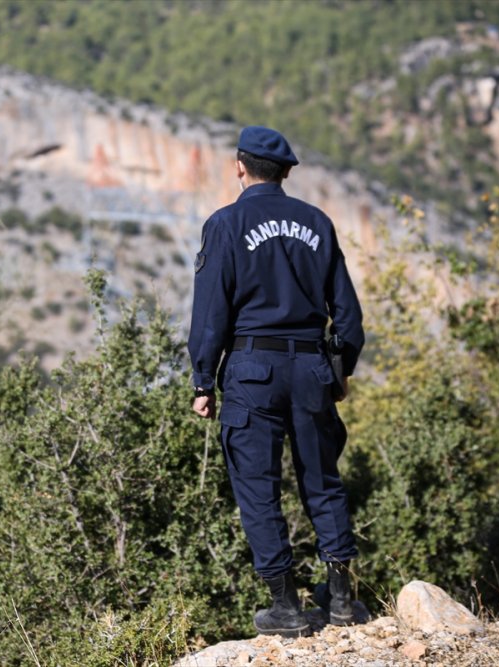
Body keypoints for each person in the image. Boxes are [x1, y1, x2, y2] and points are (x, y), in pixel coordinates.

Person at [188, 125, 365, 638]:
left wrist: (203, 379)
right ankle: (341, 599)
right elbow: (348, 318)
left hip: (251, 370)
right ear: (286, 172)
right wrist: (340, 368)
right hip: (311, 367)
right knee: (322, 478)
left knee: (258, 489)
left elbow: (210, 313)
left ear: (239, 166)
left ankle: (285, 606)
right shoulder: (318, 222)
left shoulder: (225, 224)